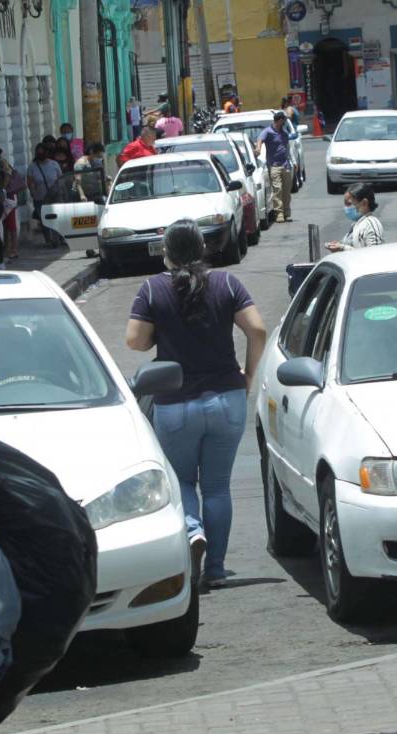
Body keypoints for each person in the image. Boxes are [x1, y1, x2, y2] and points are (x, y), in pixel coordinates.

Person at [126, 220, 268, 589]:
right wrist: (248, 376)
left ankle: (192, 532)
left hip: (175, 403)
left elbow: (135, 342)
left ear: (166, 252)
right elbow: (257, 329)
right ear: (203, 248)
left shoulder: (153, 290)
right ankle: (217, 569)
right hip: (228, 397)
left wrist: (162, 327)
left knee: (184, 481)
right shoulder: (226, 283)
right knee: (218, 487)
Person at [255, 111, 294, 223]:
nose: (285, 122)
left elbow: (287, 148)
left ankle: (286, 212)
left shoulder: (284, 133)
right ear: (280, 120)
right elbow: (260, 139)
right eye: (284, 120)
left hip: (285, 165)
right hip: (274, 166)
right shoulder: (268, 132)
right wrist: (258, 148)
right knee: (277, 190)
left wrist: (292, 162)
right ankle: (279, 213)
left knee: (286, 191)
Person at [325, 184, 384, 252]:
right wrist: (339, 246)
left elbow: (374, 255)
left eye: (349, 204)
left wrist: (342, 248)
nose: (347, 208)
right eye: (346, 204)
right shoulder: (357, 224)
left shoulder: (371, 225)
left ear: (364, 203)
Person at [26, 143, 61, 247]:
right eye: (38, 152)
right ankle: (49, 240)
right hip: (40, 198)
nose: (40, 154)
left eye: (42, 151)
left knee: (56, 218)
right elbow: (30, 181)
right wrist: (33, 192)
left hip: (55, 197)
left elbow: (60, 179)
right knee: (44, 219)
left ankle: (57, 238)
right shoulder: (32, 166)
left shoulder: (54, 164)